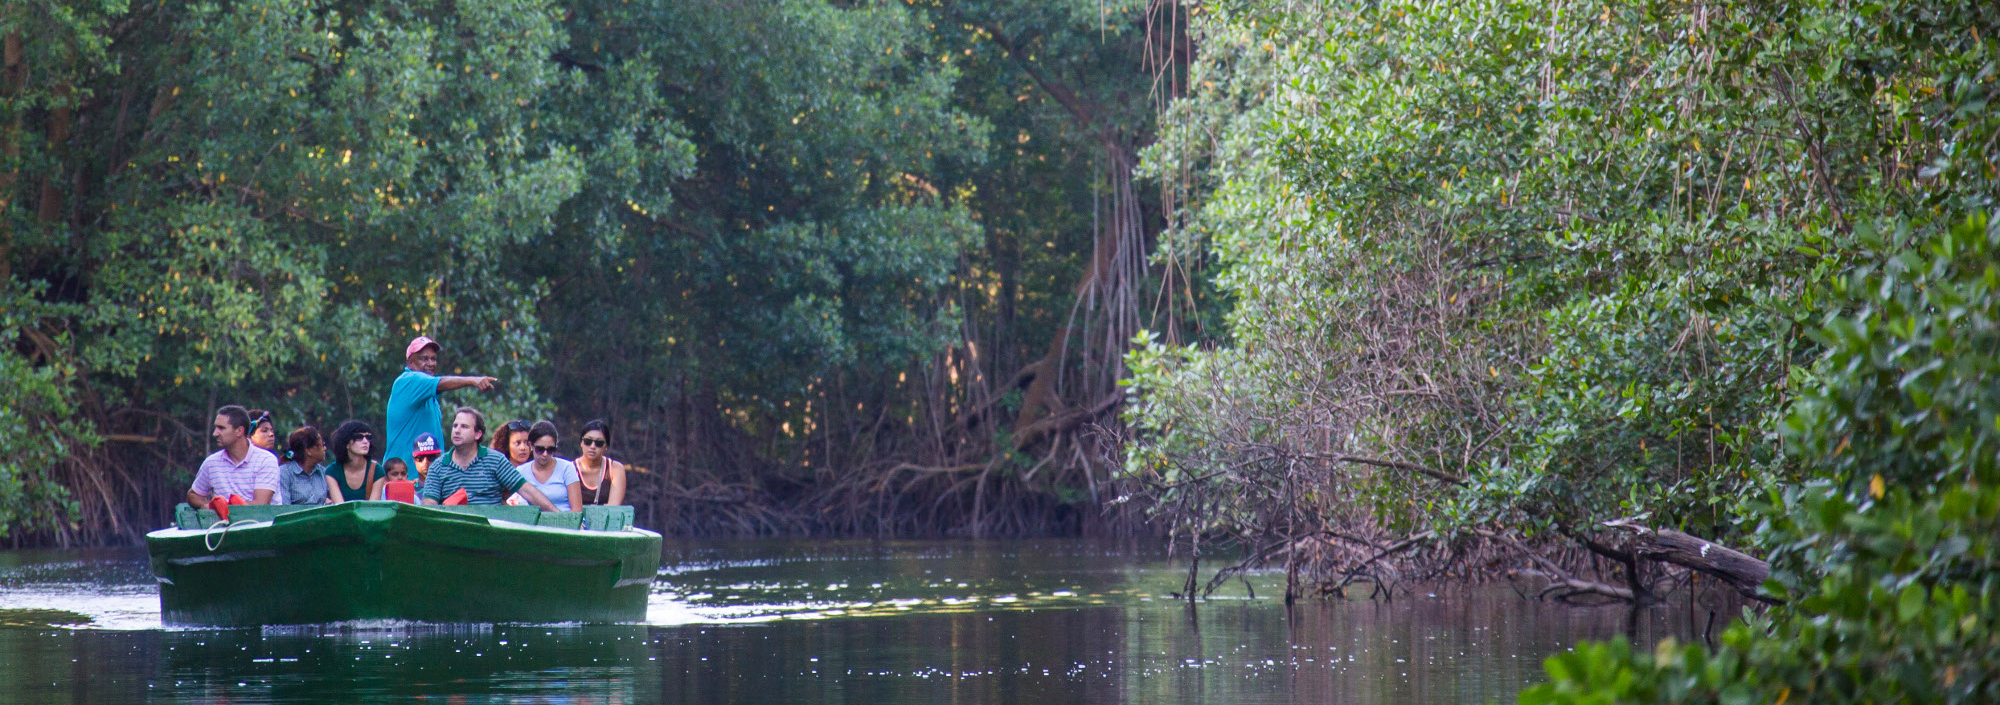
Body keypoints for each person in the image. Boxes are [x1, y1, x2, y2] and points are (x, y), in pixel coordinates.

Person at [385, 336, 499, 472]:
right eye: (424, 358)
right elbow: (441, 382)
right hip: (403, 477)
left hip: (426, 478)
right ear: (410, 362)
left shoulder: (427, 396)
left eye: (433, 359)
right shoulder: (407, 381)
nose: (431, 363)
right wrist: (474, 380)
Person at [422, 406, 559, 511]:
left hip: (490, 532)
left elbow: (526, 490)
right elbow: (429, 505)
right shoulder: (438, 466)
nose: (457, 430)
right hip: (453, 532)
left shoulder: (495, 460)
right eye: (455, 426)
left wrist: (558, 514)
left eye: (464, 427)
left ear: (477, 434)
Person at [186, 405, 281, 507]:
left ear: (239, 431)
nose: (215, 433)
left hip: (262, 522)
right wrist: (206, 505)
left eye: (221, 428)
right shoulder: (211, 463)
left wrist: (222, 507)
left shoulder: (266, 460)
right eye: (215, 428)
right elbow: (193, 495)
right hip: (224, 523)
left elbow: (260, 505)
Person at [513, 421, 582, 512]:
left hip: (566, 522)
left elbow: (577, 510)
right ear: (530, 445)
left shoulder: (567, 468)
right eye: (540, 449)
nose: (545, 454)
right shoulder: (521, 471)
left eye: (550, 449)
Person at [324, 420, 381, 504]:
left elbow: (372, 508)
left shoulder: (377, 470)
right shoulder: (332, 471)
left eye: (368, 437)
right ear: (346, 443)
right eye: (359, 437)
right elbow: (340, 507)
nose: (365, 441)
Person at [573, 418, 626, 506]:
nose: (592, 446)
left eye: (599, 443)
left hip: (606, 518)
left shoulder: (615, 469)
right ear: (581, 443)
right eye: (588, 441)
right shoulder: (569, 469)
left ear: (606, 446)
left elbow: (613, 507)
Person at [277, 426, 331, 506]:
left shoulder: (323, 473)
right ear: (308, 451)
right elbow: (284, 508)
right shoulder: (284, 473)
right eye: (321, 445)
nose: (325, 448)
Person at [410, 432, 443, 497]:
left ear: (439, 457)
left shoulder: (448, 486)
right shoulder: (408, 489)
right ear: (414, 460)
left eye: (430, 457)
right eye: (420, 458)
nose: (425, 462)